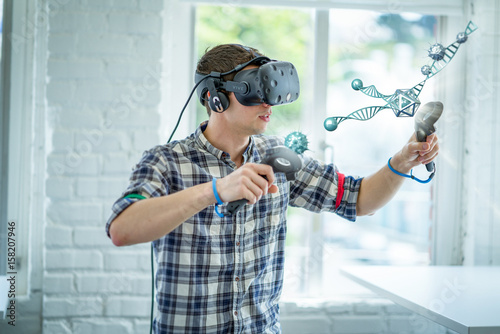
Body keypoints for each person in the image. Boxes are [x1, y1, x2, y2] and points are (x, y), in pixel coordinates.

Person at [106, 44, 439, 333]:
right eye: (255, 89)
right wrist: (215, 191)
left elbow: (359, 199)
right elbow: (123, 229)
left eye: (271, 89)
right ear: (216, 98)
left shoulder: (280, 157)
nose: (269, 103)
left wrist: (401, 162)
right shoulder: (167, 161)